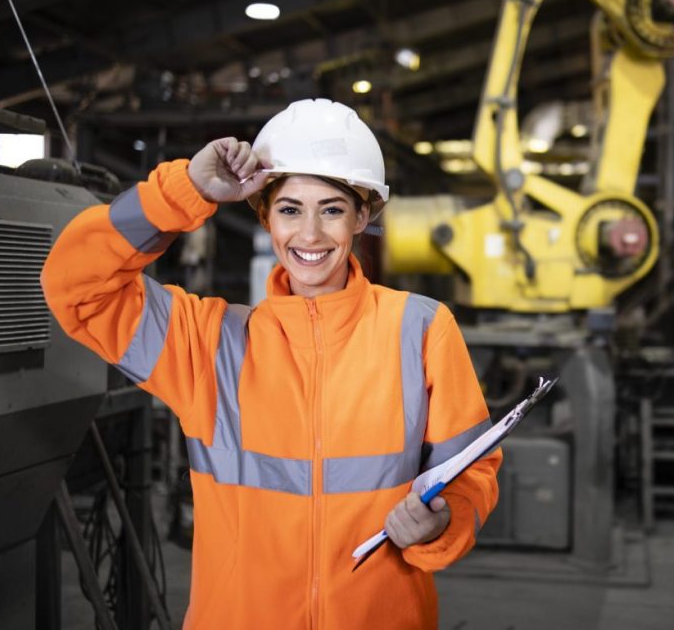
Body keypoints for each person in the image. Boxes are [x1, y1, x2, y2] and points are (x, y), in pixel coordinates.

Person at [42, 98, 501, 629]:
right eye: (289, 209)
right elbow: (74, 284)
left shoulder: (419, 329)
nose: (309, 235)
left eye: (331, 209)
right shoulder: (208, 345)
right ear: (264, 215)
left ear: (363, 216)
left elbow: (472, 473)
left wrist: (440, 525)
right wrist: (183, 192)